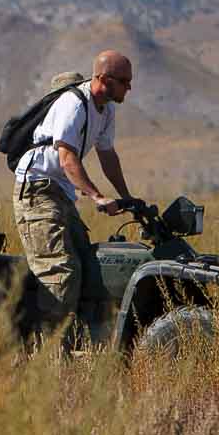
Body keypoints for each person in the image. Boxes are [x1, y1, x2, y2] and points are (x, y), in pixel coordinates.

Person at [11, 50, 136, 346]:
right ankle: (48, 355)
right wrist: (97, 196)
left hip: (62, 193)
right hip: (37, 189)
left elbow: (107, 156)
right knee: (61, 270)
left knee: (90, 265)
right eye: (124, 82)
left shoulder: (105, 110)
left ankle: (82, 341)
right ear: (104, 79)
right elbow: (67, 158)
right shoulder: (73, 104)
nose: (129, 88)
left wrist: (127, 198)